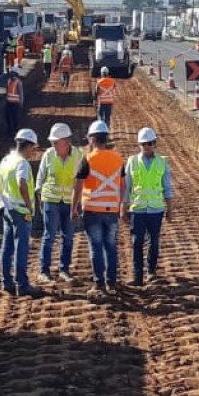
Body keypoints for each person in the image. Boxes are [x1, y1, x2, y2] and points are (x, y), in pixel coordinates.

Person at [34, 121, 86, 283]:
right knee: (49, 236)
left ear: (67, 142)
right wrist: (40, 199)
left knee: (68, 236)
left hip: (70, 202)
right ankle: (44, 271)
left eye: (56, 142)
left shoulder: (79, 155)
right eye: (52, 142)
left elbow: (81, 181)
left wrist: (78, 204)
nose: (53, 145)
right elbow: (40, 178)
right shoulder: (48, 155)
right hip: (51, 200)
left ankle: (64, 269)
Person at [79, 119, 125, 292]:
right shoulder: (118, 159)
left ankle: (99, 283)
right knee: (111, 246)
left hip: (92, 210)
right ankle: (111, 282)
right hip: (111, 210)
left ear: (92, 139)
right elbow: (123, 185)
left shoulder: (88, 160)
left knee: (96, 247)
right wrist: (120, 205)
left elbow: (78, 184)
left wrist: (75, 206)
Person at [0, 128, 43, 297]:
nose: (34, 152)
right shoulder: (22, 163)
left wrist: (3, 203)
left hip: (7, 208)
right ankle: (22, 285)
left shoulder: (6, 160)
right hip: (20, 211)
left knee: (7, 246)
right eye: (34, 148)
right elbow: (22, 182)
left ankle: (6, 281)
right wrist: (29, 205)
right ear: (28, 145)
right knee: (21, 247)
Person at [125, 126, 173, 286]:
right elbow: (126, 186)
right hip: (137, 209)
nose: (147, 146)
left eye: (150, 143)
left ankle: (151, 272)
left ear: (155, 143)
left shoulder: (162, 162)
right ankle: (138, 276)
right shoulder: (132, 162)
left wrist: (170, 208)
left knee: (154, 242)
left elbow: (167, 186)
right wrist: (123, 208)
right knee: (137, 242)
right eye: (144, 144)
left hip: (155, 209)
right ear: (139, 145)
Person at [2, 65, 26, 134]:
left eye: (12, 73)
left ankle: (15, 129)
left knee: (14, 117)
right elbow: (7, 90)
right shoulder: (9, 81)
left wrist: (21, 102)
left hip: (15, 103)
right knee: (7, 116)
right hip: (8, 102)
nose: (11, 74)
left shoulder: (18, 82)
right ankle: (9, 128)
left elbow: (21, 93)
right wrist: (5, 97)